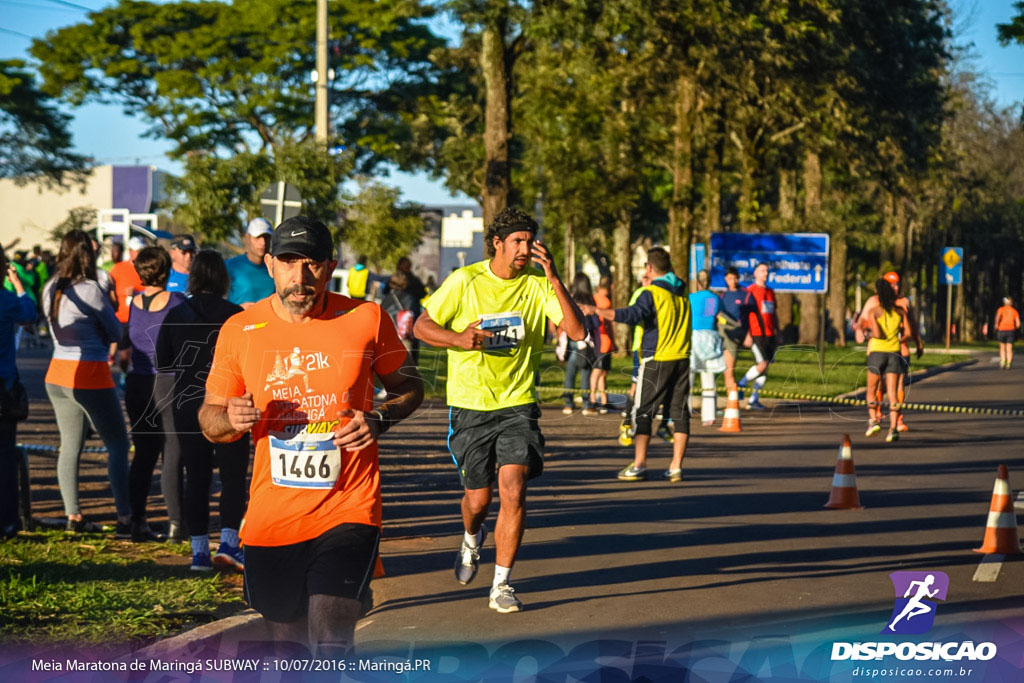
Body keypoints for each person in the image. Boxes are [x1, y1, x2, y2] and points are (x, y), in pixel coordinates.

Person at [199, 216, 423, 654]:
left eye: (312, 264)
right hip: (272, 517)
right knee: (288, 646)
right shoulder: (240, 329)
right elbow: (209, 419)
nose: (299, 278)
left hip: (349, 506)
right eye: (287, 263)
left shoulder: (365, 318)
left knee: (329, 635)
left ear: (331, 265)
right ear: (269, 265)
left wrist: (378, 418)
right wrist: (232, 418)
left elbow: (410, 386)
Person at [413, 207, 584, 613]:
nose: (525, 249)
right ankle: (472, 539)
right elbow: (421, 326)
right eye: (517, 241)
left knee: (514, 489)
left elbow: (578, 332)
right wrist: (457, 338)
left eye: (530, 241)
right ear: (498, 243)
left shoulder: (538, 286)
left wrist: (555, 279)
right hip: (471, 404)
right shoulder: (464, 281)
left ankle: (502, 584)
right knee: (478, 499)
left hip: (518, 403)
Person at [156, 250, 248, 569]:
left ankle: (198, 552)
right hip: (228, 402)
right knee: (233, 476)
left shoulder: (176, 313)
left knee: (196, 477)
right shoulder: (236, 315)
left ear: (193, 277)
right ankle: (229, 543)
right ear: (223, 278)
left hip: (187, 402)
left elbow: (163, 361)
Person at [42, 230, 133, 535]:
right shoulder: (91, 289)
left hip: (57, 373)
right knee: (118, 443)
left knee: (70, 446)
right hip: (90, 373)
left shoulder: (49, 287)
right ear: (87, 255)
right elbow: (116, 334)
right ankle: (124, 517)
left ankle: (73, 516)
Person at [584, 248, 691, 483]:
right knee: (680, 412)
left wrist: (597, 310)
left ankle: (640, 464)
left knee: (643, 412)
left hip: (657, 359)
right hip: (682, 358)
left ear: (650, 268)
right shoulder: (682, 293)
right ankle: (676, 466)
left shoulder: (650, 292)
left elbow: (632, 315)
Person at [123, 246, 187, 541]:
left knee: (144, 454)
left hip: (137, 382)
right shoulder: (177, 302)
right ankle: (176, 523)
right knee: (172, 453)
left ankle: (137, 520)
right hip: (168, 381)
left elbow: (124, 348)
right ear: (167, 269)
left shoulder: (133, 303)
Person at [0, 245, 38, 539]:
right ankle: (7, 521)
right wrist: (17, 283)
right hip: (3, 387)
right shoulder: (6, 300)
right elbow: (30, 313)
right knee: (4, 457)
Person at [857, 272, 923, 431]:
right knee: (881, 386)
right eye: (892, 284)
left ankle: (896, 420)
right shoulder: (874, 301)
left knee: (897, 386)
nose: (896, 286)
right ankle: (881, 417)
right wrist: (862, 330)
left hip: (896, 350)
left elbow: (912, 325)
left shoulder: (903, 303)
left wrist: (919, 343)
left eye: (897, 283)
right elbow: (861, 320)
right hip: (886, 350)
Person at [864, 278, 911, 443]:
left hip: (877, 352)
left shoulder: (875, 311)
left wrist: (868, 333)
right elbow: (908, 334)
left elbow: (877, 334)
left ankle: (873, 421)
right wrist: (897, 339)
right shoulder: (900, 312)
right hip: (894, 353)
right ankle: (892, 429)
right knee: (892, 393)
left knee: (871, 390)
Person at [737, 262, 778, 410]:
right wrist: (747, 333)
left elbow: (774, 314)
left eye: (767, 271)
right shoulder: (750, 291)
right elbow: (745, 315)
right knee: (763, 364)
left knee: (765, 369)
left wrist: (777, 332)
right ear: (755, 273)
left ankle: (754, 400)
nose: (765, 274)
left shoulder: (770, 292)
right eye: (762, 271)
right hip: (756, 333)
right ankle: (740, 384)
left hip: (769, 334)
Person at [617, 271, 651, 447]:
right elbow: (630, 315)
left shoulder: (660, 292)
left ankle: (666, 424)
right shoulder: (640, 294)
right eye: (644, 278)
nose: (647, 281)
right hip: (641, 347)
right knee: (636, 385)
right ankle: (627, 423)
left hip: (660, 348)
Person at [689, 270, 726, 426]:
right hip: (711, 337)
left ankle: (681, 412)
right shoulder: (715, 298)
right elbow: (716, 315)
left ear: (697, 282)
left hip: (694, 336)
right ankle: (709, 417)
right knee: (708, 377)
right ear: (709, 282)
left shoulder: (691, 298)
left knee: (687, 378)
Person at [561, 273, 600, 416]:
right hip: (586, 340)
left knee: (570, 373)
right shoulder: (591, 302)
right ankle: (586, 404)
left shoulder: (571, 299)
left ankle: (568, 403)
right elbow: (595, 323)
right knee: (585, 372)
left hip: (573, 339)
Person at [226, 218, 275, 309]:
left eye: (266, 237)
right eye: (257, 237)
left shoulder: (277, 269)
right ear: (247, 238)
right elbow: (216, 302)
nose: (263, 242)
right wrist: (237, 308)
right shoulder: (230, 266)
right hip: (238, 321)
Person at [717, 266, 751, 391]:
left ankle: (732, 402)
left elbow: (751, 316)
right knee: (727, 371)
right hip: (723, 335)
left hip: (736, 335)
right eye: (730, 278)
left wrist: (748, 334)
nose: (733, 281)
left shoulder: (745, 295)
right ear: (726, 279)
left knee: (729, 372)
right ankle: (731, 402)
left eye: (735, 278)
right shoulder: (722, 296)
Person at [591, 275, 615, 413]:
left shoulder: (594, 298)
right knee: (598, 371)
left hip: (598, 339)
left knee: (602, 371)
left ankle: (604, 400)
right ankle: (593, 400)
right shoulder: (605, 301)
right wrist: (614, 341)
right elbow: (608, 323)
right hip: (604, 340)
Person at [109, 236, 145, 324]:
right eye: (132, 249)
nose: (133, 253)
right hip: (120, 320)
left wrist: (137, 293)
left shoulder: (147, 269)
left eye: (138, 250)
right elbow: (109, 291)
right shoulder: (117, 268)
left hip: (141, 320)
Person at [995, 297, 1020, 369]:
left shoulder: (1000, 309)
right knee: (1009, 348)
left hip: (1002, 329)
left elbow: (998, 317)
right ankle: (1008, 363)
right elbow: (1018, 324)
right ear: (1011, 303)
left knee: (1002, 347)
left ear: (1004, 303)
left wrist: (996, 324)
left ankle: (1003, 361)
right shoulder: (1014, 311)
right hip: (1011, 330)